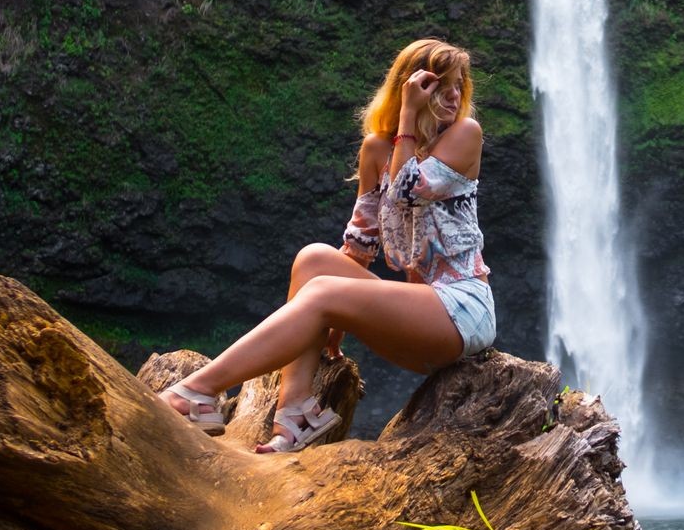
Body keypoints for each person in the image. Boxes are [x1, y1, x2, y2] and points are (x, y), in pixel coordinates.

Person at [159, 38, 496, 452]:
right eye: (437, 84)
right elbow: (359, 244)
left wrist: (409, 113)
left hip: (461, 312)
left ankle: (197, 391)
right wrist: (331, 320)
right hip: (417, 312)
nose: (452, 94)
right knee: (313, 262)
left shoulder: (466, 134)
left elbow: (408, 190)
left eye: (459, 84)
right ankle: (294, 413)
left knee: (321, 291)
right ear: (408, 85)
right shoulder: (377, 149)